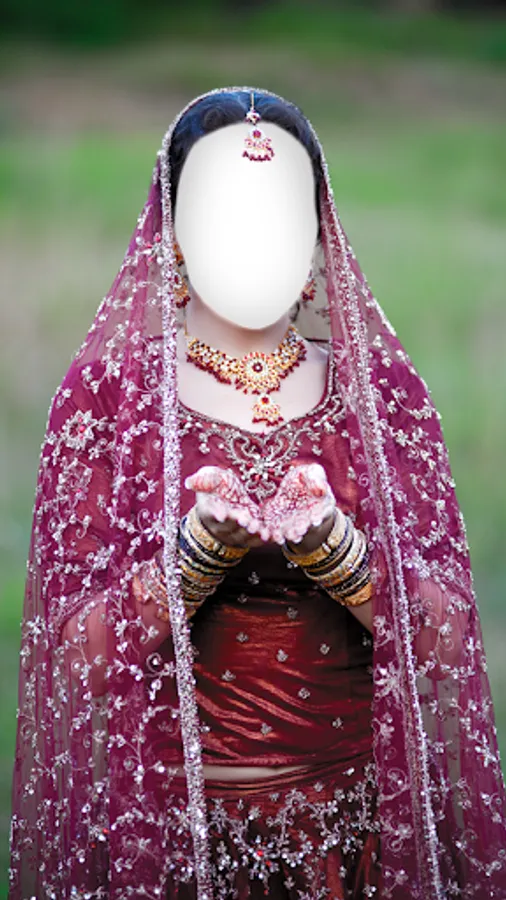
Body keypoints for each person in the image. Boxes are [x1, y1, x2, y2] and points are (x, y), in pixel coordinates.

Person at [8, 87, 506, 900]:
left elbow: (449, 650)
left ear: (318, 230)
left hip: (356, 845)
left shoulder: (382, 398)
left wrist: (344, 562)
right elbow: (70, 665)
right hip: (176, 850)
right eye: (224, 213)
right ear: (172, 231)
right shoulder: (110, 402)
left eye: (280, 214)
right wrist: (189, 565)